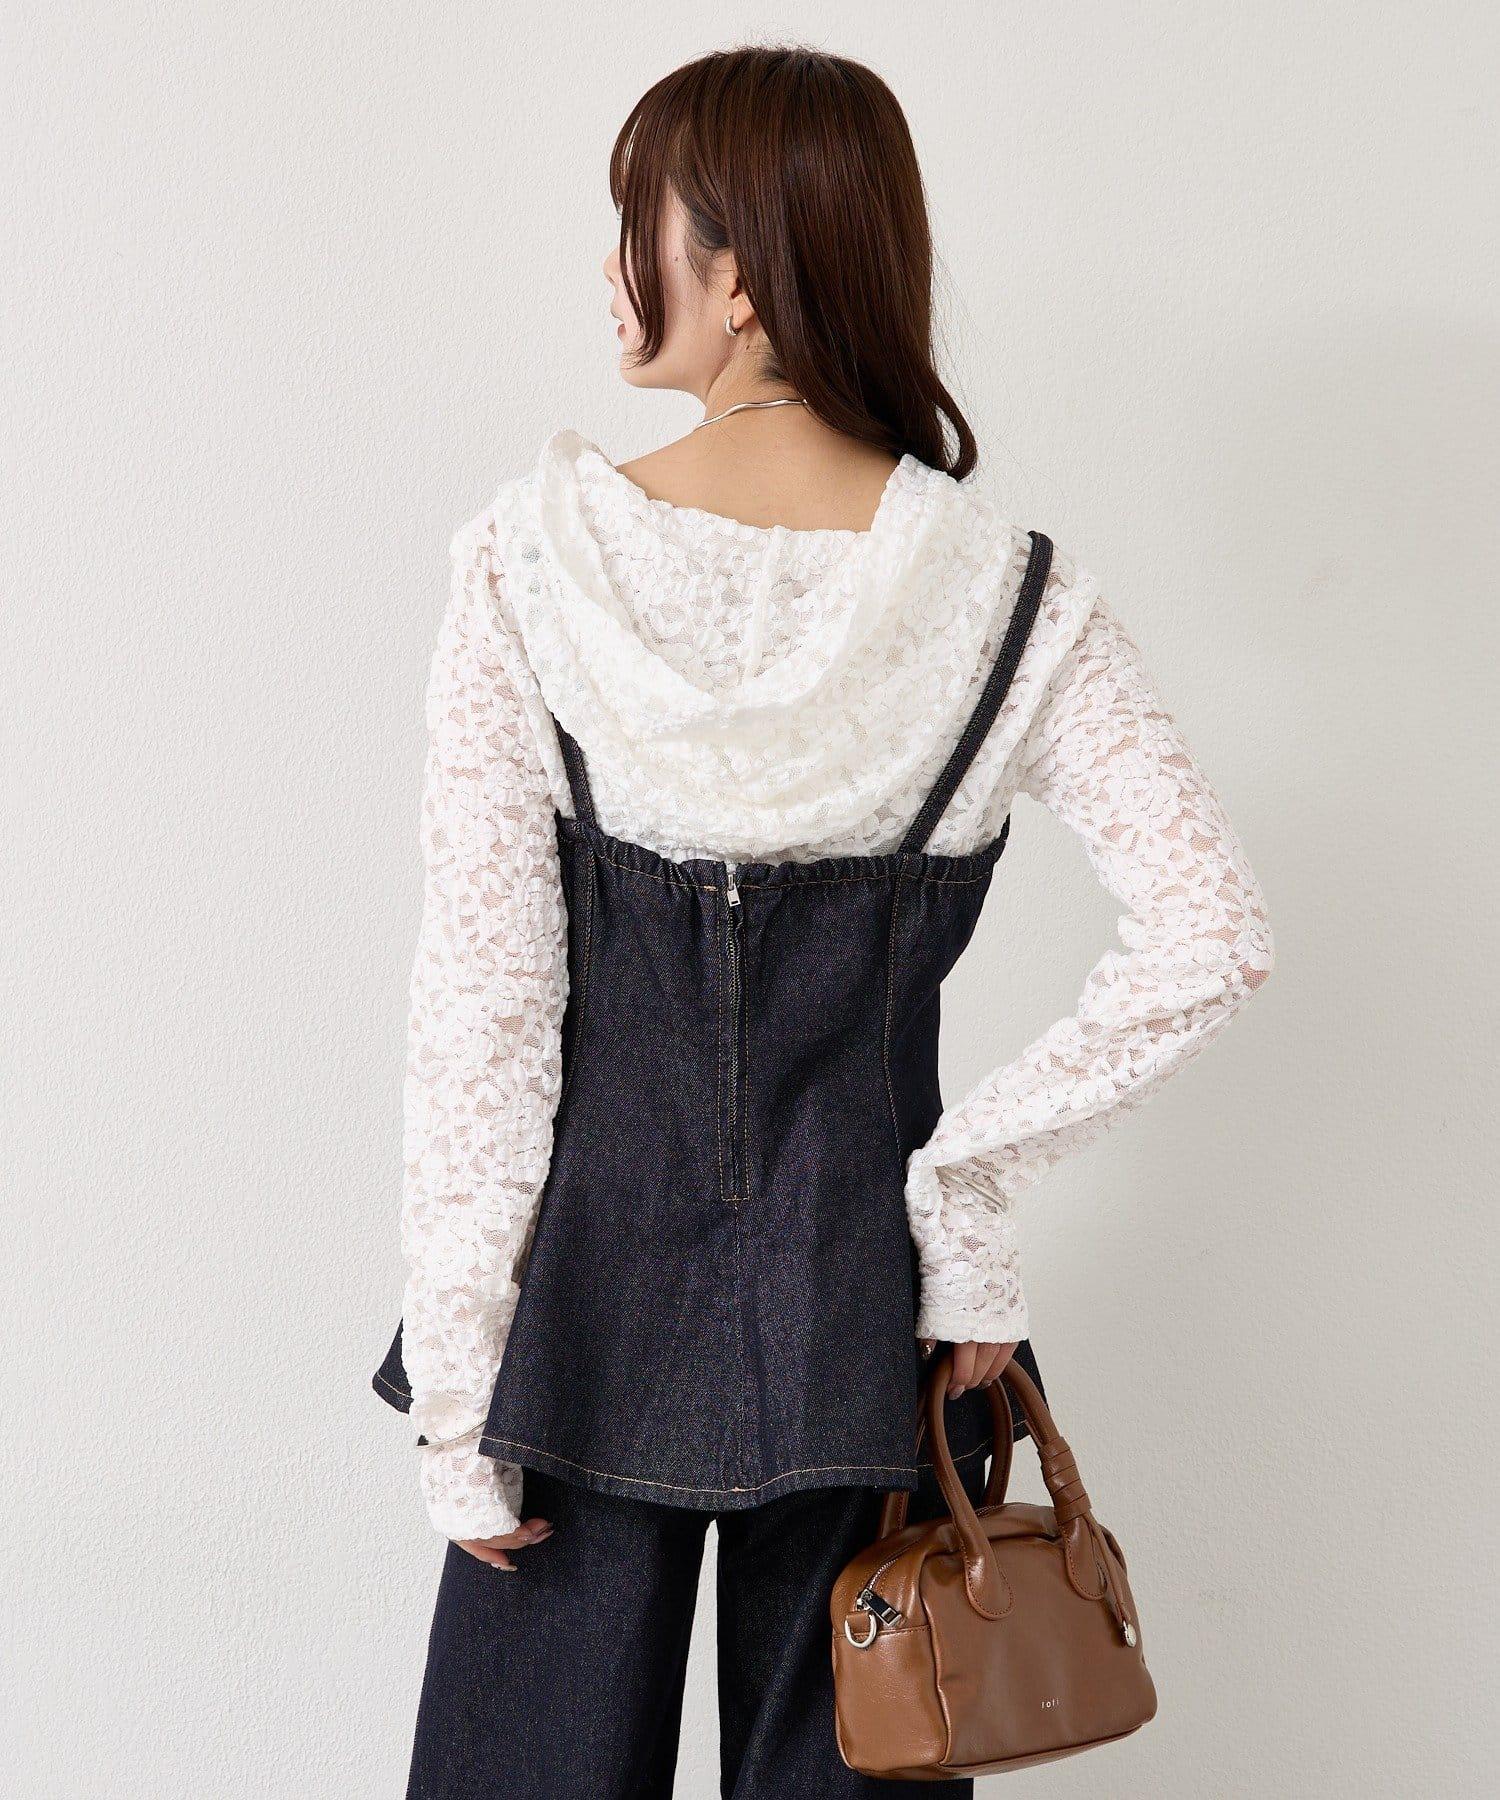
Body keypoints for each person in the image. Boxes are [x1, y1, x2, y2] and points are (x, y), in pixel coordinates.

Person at [373, 43, 1274, 1800]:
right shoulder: (1012, 599)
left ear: (739, 277)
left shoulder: (529, 565)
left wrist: (465, 1387)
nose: (612, 268)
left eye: (638, 223)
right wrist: (965, 1198)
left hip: (577, 1320)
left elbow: (486, 1009)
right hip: (872, 1313)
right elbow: (1215, 929)